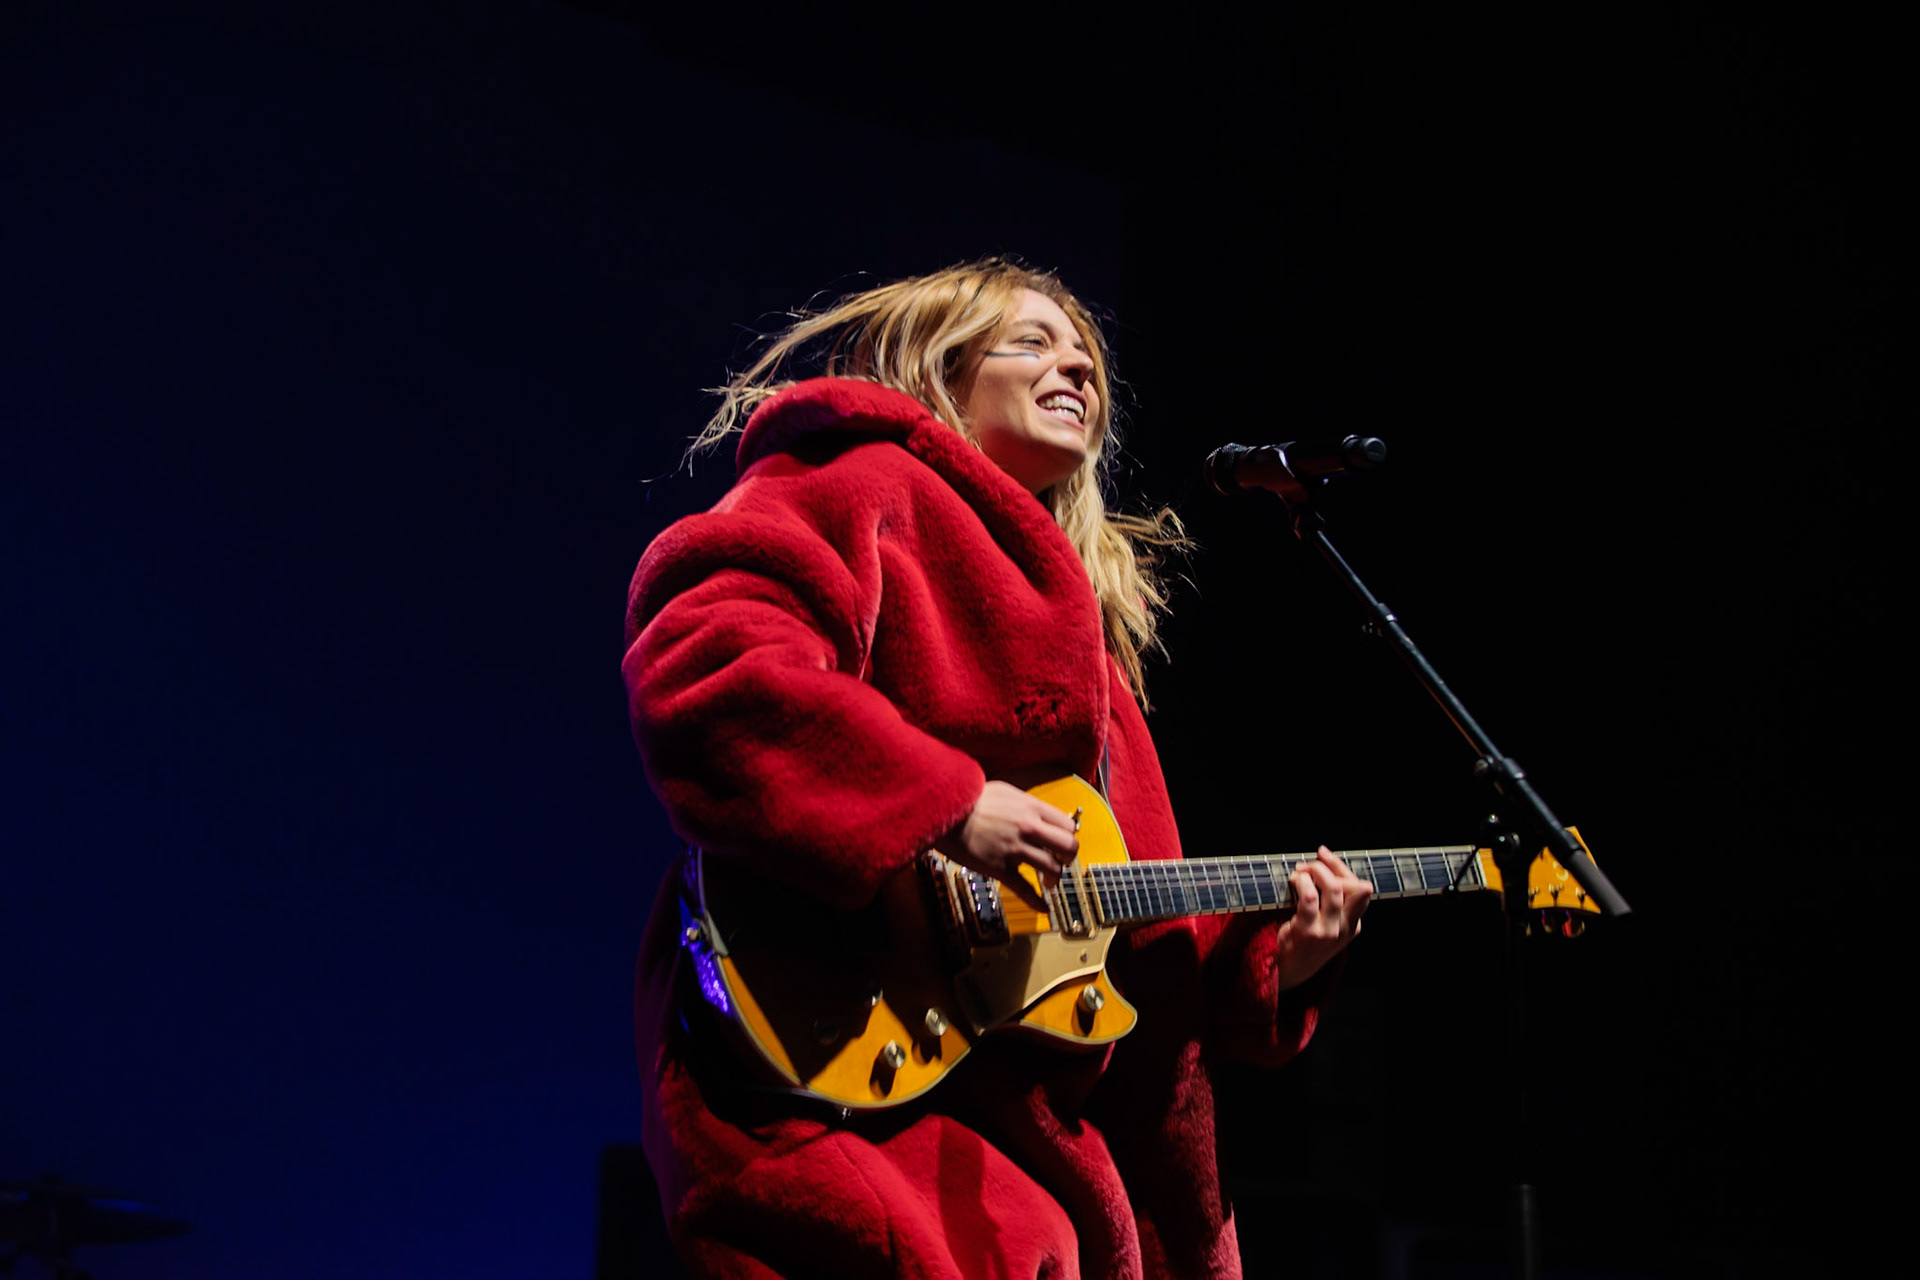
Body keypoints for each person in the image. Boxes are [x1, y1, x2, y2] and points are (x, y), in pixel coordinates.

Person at [621, 258, 1373, 1280]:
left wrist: (1268, 962)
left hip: (1036, 1148)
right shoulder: (855, 482)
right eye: (1032, 341)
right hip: (848, 1091)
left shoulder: (1098, 662)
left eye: (1088, 358)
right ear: (941, 368)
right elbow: (707, 663)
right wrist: (945, 800)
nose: (1075, 365)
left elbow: (1127, 926)